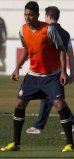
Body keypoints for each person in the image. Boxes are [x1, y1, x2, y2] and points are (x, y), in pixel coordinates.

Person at [0, 1, 74, 152]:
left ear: (38, 15)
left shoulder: (48, 30)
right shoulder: (23, 30)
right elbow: (27, 49)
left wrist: (63, 72)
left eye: (31, 15)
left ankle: (69, 143)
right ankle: (15, 143)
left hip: (52, 76)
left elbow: (61, 49)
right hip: (33, 76)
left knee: (59, 104)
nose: (27, 17)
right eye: (25, 14)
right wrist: (17, 68)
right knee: (19, 104)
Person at [26, 6, 74, 135]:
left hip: (50, 73)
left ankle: (39, 126)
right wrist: (71, 73)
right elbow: (70, 53)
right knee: (55, 100)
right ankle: (41, 125)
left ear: (48, 16)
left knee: (54, 100)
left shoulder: (47, 30)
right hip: (59, 72)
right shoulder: (65, 33)